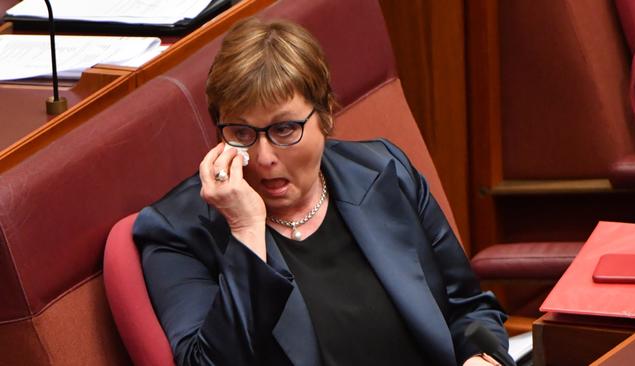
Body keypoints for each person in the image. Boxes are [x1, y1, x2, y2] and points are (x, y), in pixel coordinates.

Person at [133, 17, 514, 366]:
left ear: (326, 115)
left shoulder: (384, 170)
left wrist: (483, 356)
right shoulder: (180, 231)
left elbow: (467, 307)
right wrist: (247, 232)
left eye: (284, 129)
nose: (264, 157)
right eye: (242, 133)